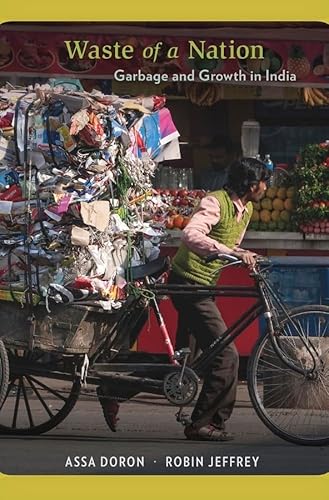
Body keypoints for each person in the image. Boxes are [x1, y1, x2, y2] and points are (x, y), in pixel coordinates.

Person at [168, 157, 271, 441]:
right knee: (226, 356)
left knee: (184, 362)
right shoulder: (216, 202)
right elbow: (191, 233)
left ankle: (113, 389)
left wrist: (244, 257)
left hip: (204, 286)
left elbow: (231, 245)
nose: (266, 187)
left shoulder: (246, 209)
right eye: (264, 181)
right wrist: (233, 252)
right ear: (252, 185)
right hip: (189, 284)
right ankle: (203, 422)